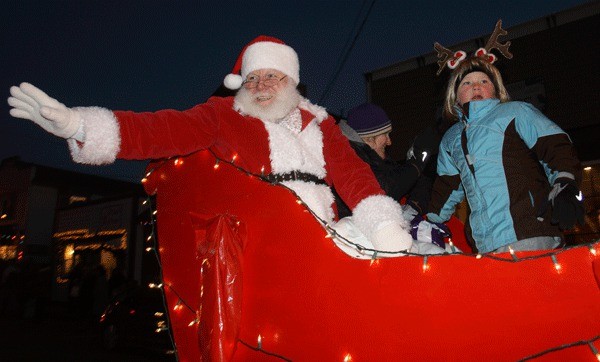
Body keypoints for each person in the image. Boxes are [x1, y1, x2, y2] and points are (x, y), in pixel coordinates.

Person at [8, 35, 417, 255]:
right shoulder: (224, 116)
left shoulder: (321, 123)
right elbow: (160, 130)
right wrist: (79, 124)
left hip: (323, 234)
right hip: (259, 239)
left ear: (290, 83)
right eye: (252, 79)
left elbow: (353, 176)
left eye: (271, 77)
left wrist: (383, 226)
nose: (260, 86)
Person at [427, 21, 584, 254]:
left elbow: (555, 146)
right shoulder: (451, 138)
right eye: (467, 83)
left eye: (484, 81)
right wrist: (430, 220)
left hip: (531, 230)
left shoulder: (515, 112)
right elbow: (447, 186)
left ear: (496, 89)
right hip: (484, 243)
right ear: (455, 96)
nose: (476, 86)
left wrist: (565, 184)